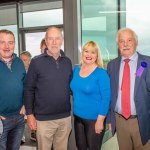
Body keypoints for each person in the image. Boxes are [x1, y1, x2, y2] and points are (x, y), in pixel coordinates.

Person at [24, 27, 72, 150]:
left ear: (62, 40)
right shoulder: (36, 62)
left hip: (65, 118)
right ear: (46, 41)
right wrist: (29, 114)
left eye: (57, 38)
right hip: (43, 120)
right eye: (51, 39)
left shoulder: (67, 62)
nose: (54, 42)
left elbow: (70, 86)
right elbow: (28, 89)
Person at [107, 27, 150, 150]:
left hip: (141, 121)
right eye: (121, 41)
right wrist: (110, 119)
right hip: (120, 121)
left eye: (129, 40)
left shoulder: (146, 62)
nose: (125, 44)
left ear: (136, 42)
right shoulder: (112, 65)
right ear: (118, 45)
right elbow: (110, 95)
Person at [70, 41, 111, 150]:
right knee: (81, 147)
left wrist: (100, 121)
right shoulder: (76, 70)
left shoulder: (101, 74)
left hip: (94, 120)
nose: (89, 55)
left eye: (93, 52)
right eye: (86, 51)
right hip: (77, 118)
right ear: (82, 53)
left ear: (97, 55)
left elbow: (106, 98)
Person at [0, 29, 26, 150]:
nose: (7, 46)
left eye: (10, 42)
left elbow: (26, 86)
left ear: (14, 44)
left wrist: (25, 104)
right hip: (1, 120)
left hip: (19, 118)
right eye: (2, 42)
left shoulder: (20, 62)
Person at [20, 51, 32, 144]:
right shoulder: (17, 71)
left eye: (24, 60)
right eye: (21, 60)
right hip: (20, 99)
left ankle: (34, 134)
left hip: (31, 99)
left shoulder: (32, 72)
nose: (22, 62)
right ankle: (21, 137)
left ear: (29, 61)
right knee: (21, 120)